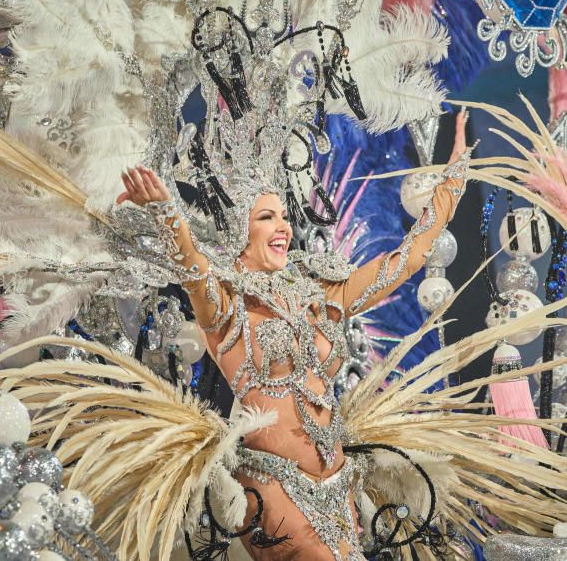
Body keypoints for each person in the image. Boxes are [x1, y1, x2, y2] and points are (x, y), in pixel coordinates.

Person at [116, 115, 470, 560]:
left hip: (340, 486)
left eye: (284, 215)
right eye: (267, 217)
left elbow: (408, 259)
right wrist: (168, 213)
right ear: (239, 233)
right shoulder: (226, 306)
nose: (283, 227)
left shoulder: (320, 294)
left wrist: (453, 179)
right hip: (273, 487)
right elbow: (193, 267)